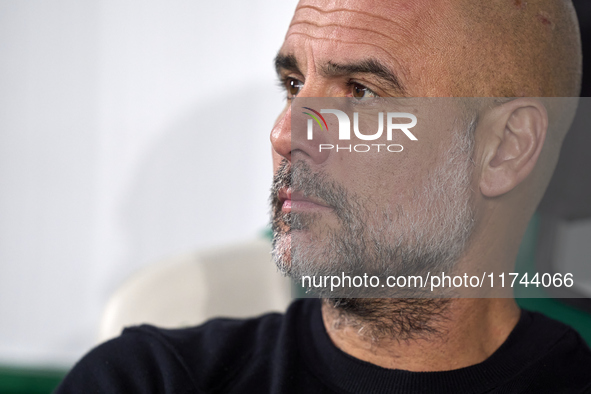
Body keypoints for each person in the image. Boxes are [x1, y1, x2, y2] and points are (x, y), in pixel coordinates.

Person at [56, 0, 591, 393]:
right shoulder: (146, 380)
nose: (286, 134)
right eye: (293, 84)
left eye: (361, 91)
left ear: (504, 149)